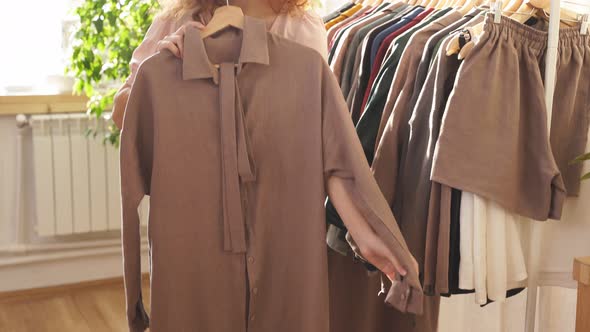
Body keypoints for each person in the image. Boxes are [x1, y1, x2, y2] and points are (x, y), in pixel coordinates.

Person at [114, 0, 419, 327]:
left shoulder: (302, 30)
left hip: (282, 221)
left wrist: (364, 233)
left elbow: (325, 144)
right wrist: (164, 64)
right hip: (196, 227)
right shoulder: (173, 21)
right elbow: (125, 116)